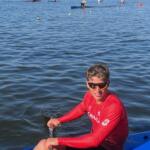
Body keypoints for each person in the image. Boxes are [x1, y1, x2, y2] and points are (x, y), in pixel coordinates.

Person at [34, 63, 128, 150]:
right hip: (94, 140)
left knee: (46, 145)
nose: (97, 90)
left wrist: (58, 140)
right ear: (87, 84)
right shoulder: (89, 96)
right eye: (92, 85)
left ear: (108, 84)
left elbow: (94, 141)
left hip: (108, 147)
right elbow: (81, 109)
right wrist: (59, 120)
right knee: (44, 144)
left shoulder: (114, 107)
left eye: (101, 85)